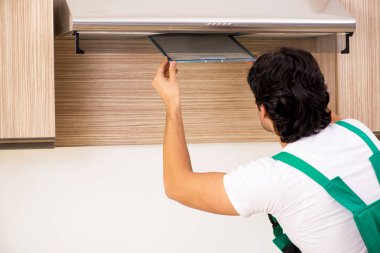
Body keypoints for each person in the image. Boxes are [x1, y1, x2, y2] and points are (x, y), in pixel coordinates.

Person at [151, 47, 380, 253]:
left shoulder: (274, 178)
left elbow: (177, 185)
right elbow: (319, 108)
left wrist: (172, 103)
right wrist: (282, 76)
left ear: (263, 112)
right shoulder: (357, 132)